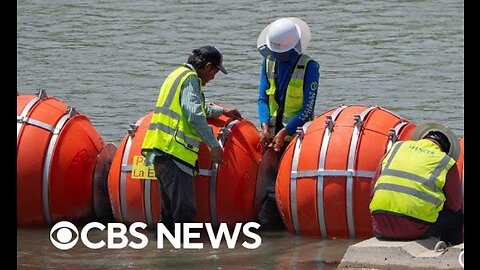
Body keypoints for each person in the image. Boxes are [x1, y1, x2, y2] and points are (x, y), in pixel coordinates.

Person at [141, 45, 242, 235]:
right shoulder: (191, 79)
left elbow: (194, 107)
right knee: (184, 212)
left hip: (159, 150)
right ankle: (182, 256)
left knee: (169, 212)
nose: (213, 78)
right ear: (208, 66)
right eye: (215, 72)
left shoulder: (176, 74)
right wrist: (214, 145)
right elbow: (194, 115)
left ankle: (166, 255)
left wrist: (221, 110)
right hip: (175, 153)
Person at [255, 17, 320, 228]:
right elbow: (262, 98)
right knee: (266, 186)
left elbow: (307, 109)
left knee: (289, 187)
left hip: (296, 137)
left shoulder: (309, 67)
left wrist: (285, 133)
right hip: (271, 135)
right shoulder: (268, 62)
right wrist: (265, 127)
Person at [369, 122, 463, 245]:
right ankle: (450, 256)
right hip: (414, 229)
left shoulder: (396, 148)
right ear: (446, 150)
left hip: (380, 226)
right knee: (457, 217)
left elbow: (372, 189)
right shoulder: (446, 162)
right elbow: (454, 205)